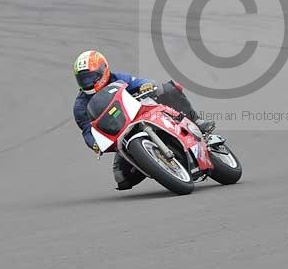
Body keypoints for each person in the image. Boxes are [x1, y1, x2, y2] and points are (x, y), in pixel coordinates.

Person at [72, 49, 215, 190]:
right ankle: (157, 164)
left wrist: (147, 85)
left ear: (103, 69)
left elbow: (138, 82)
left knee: (168, 89)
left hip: (140, 116)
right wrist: (94, 144)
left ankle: (196, 122)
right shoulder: (80, 106)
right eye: (83, 79)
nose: (87, 82)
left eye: (90, 77)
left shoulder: (117, 79)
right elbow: (87, 130)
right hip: (120, 135)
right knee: (122, 178)